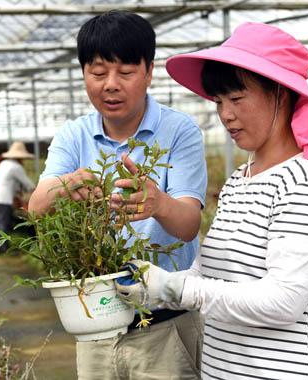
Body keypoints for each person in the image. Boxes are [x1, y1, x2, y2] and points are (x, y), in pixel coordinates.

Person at [116, 22, 308, 380]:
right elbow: (208, 274)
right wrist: (149, 286)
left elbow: (282, 302)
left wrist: (172, 287)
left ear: (280, 94)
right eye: (219, 102)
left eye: (237, 99)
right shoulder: (241, 179)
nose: (226, 114)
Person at [28, 10, 207, 380]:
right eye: (97, 72)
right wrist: (69, 185)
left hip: (165, 327)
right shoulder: (73, 136)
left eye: (125, 72)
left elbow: (189, 225)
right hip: (94, 326)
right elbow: (36, 207)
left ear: (149, 72)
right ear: (83, 74)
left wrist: (157, 203)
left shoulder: (179, 132)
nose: (111, 84)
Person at [0, 141, 36, 254]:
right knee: (4, 224)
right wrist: (36, 191)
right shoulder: (16, 167)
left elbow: (10, 183)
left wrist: (18, 191)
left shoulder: (3, 164)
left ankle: (0, 248)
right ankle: (4, 250)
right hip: (3, 200)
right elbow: (28, 184)